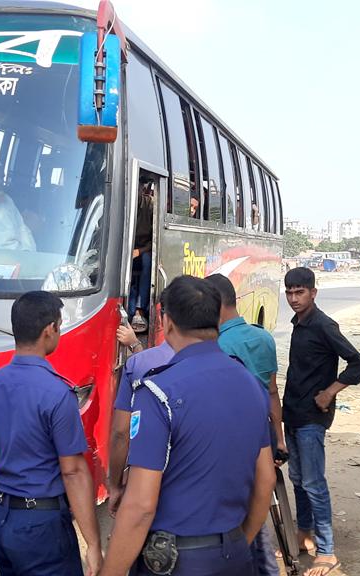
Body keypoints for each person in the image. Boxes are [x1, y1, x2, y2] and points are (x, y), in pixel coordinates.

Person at [100, 276, 276, 576]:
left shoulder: (158, 391)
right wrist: (237, 542)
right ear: (217, 320)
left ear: (166, 322)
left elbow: (141, 506)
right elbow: (266, 480)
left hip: (174, 562)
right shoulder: (250, 384)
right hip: (233, 555)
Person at [0, 291, 101, 576]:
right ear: (49, 330)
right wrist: (93, 544)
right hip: (40, 529)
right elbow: (74, 472)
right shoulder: (58, 393)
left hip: (0, 519)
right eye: (60, 325)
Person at [282, 267, 360, 576]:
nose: (293, 298)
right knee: (297, 479)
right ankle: (304, 533)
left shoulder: (323, 325)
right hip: (291, 412)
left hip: (312, 418)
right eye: (290, 292)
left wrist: (330, 391)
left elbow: (358, 363)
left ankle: (328, 551)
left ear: (313, 293)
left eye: (299, 292)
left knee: (314, 484)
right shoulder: (298, 323)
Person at [205, 273, 285, 576]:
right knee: (261, 499)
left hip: (235, 436)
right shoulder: (263, 336)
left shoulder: (220, 345)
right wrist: (279, 438)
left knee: (239, 507)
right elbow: (273, 392)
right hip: (264, 429)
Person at [109, 313, 175, 516]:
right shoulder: (233, 370)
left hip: (145, 484)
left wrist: (115, 486)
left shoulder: (138, 364)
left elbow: (121, 433)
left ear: (166, 320)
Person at [128, 180, 155, 333]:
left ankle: (140, 309)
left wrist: (140, 251)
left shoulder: (149, 205)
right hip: (127, 249)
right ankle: (130, 311)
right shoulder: (121, 203)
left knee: (146, 261)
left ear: (141, 189)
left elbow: (157, 238)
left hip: (145, 250)